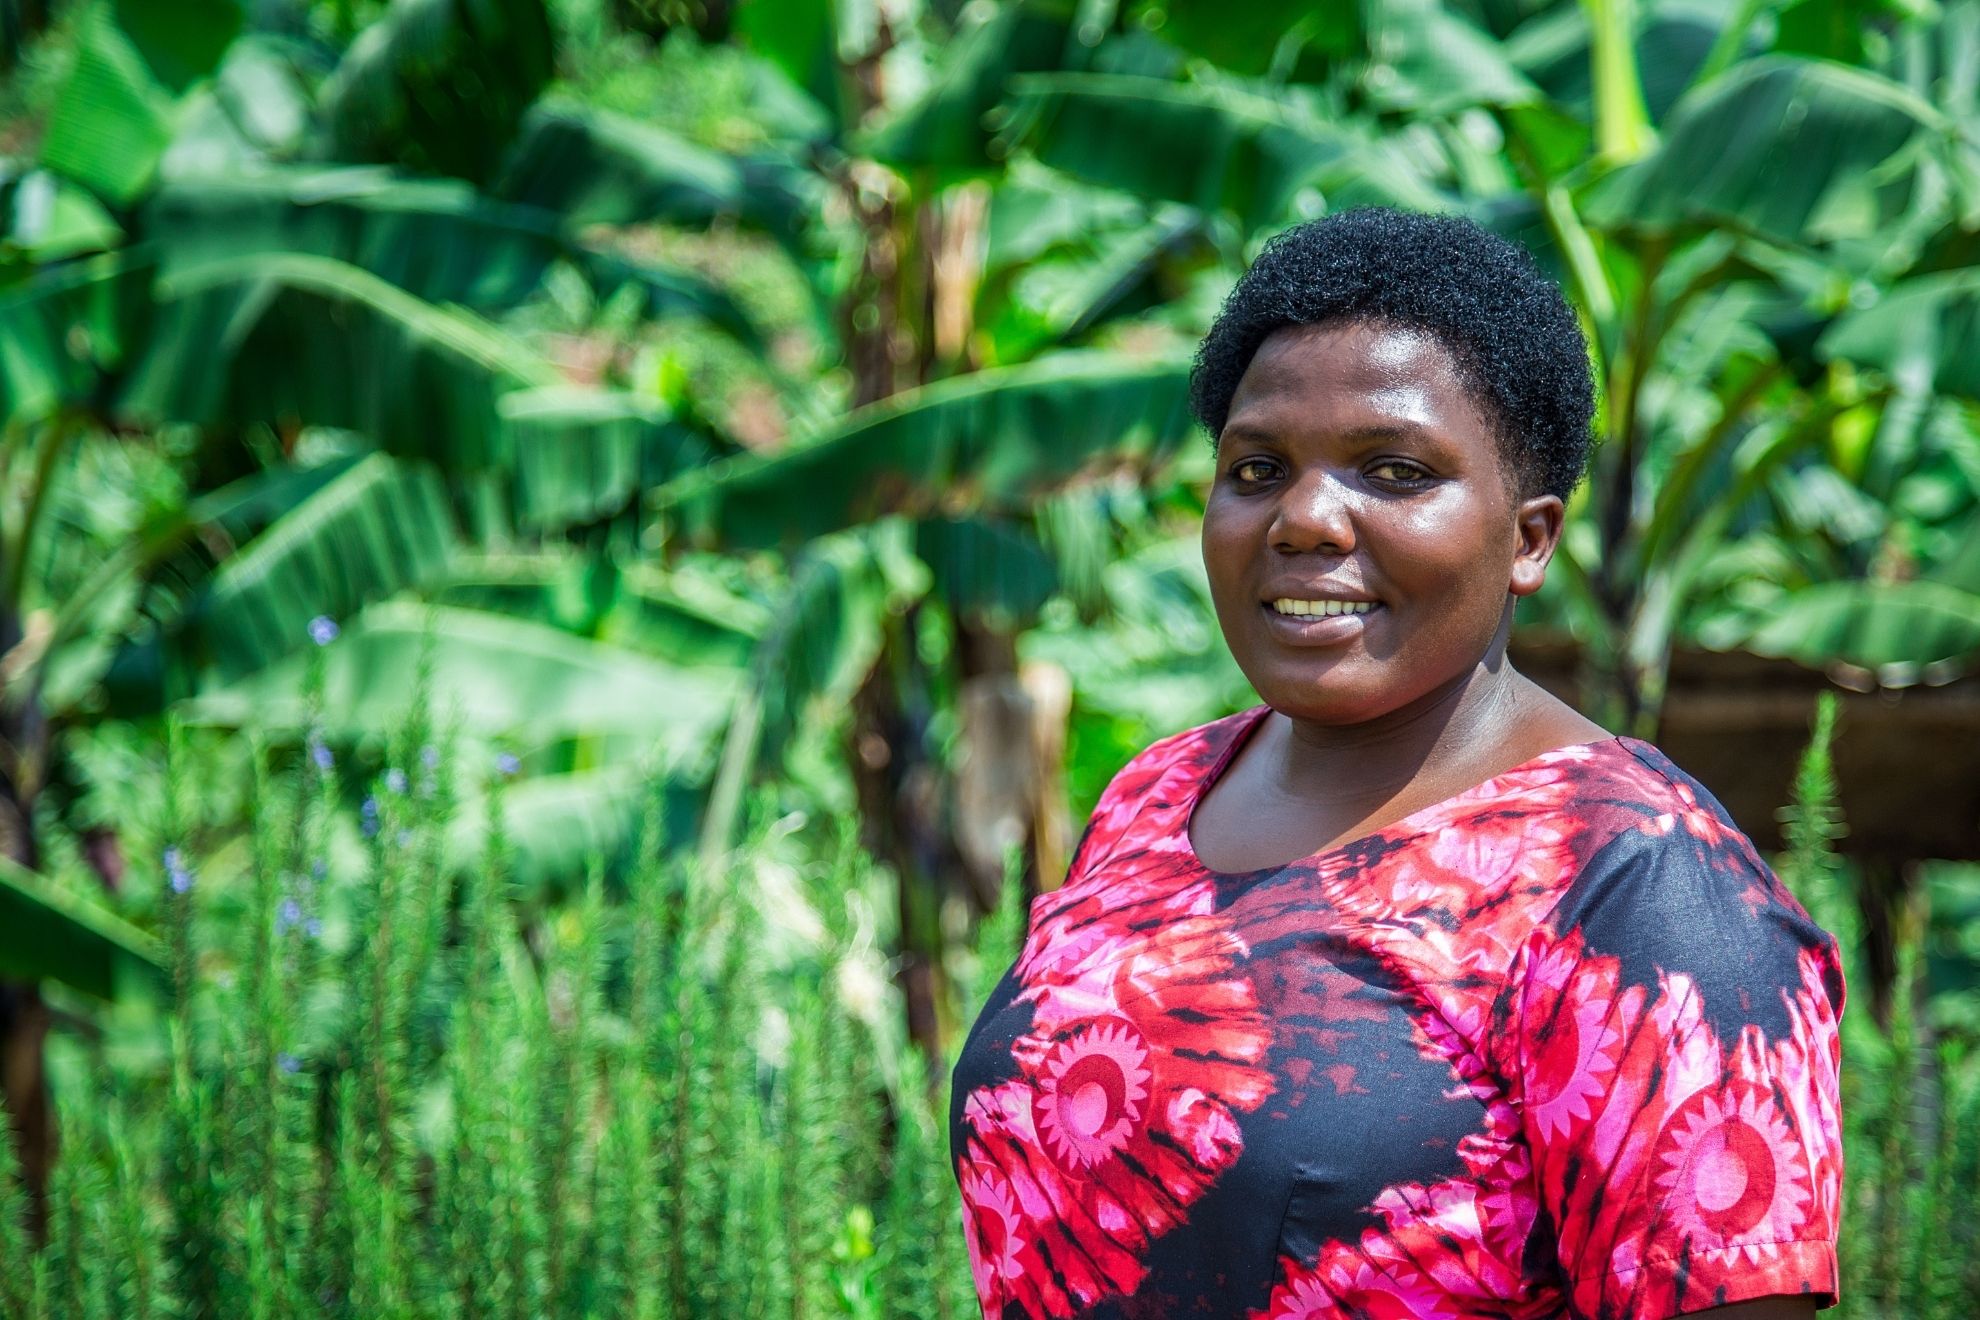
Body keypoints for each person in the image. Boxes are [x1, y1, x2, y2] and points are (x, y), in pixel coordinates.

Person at [948, 208, 1844, 1320]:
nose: (1307, 518)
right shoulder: (1158, 796)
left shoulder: (1636, 888)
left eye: (1394, 470)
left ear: (1530, 538)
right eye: (1257, 467)